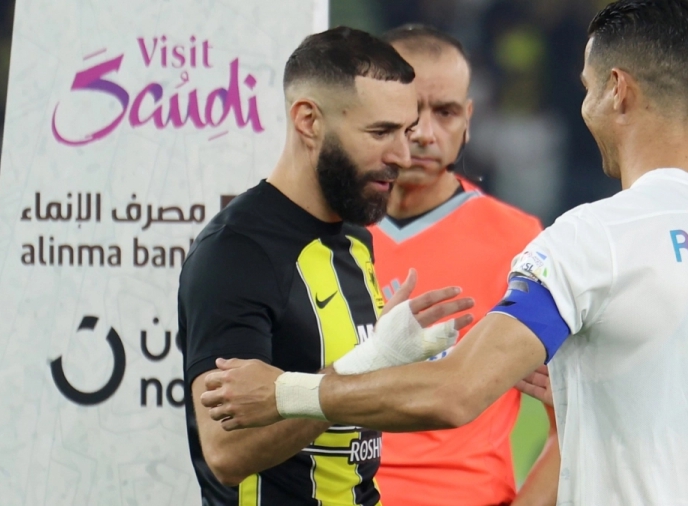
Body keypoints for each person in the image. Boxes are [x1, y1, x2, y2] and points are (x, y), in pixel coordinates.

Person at [201, 2, 688, 505]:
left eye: (585, 89)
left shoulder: (595, 238)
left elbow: (457, 391)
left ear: (617, 91)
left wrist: (283, 393)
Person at [178, 26, 474, 506]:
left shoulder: (356, 237)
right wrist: (368, 362)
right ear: (308, 121)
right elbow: (227, 454)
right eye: (380, 132)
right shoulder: (236, 252)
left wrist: (393, 364)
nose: (402, 155)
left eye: (405, 131)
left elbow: (359, 415)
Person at [368, 24, 559, 506]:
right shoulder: (320, 233)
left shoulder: (521, 244)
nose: (425, 134)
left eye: (446, 112)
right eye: (409, 112)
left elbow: (574, 421)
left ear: (468, 120)